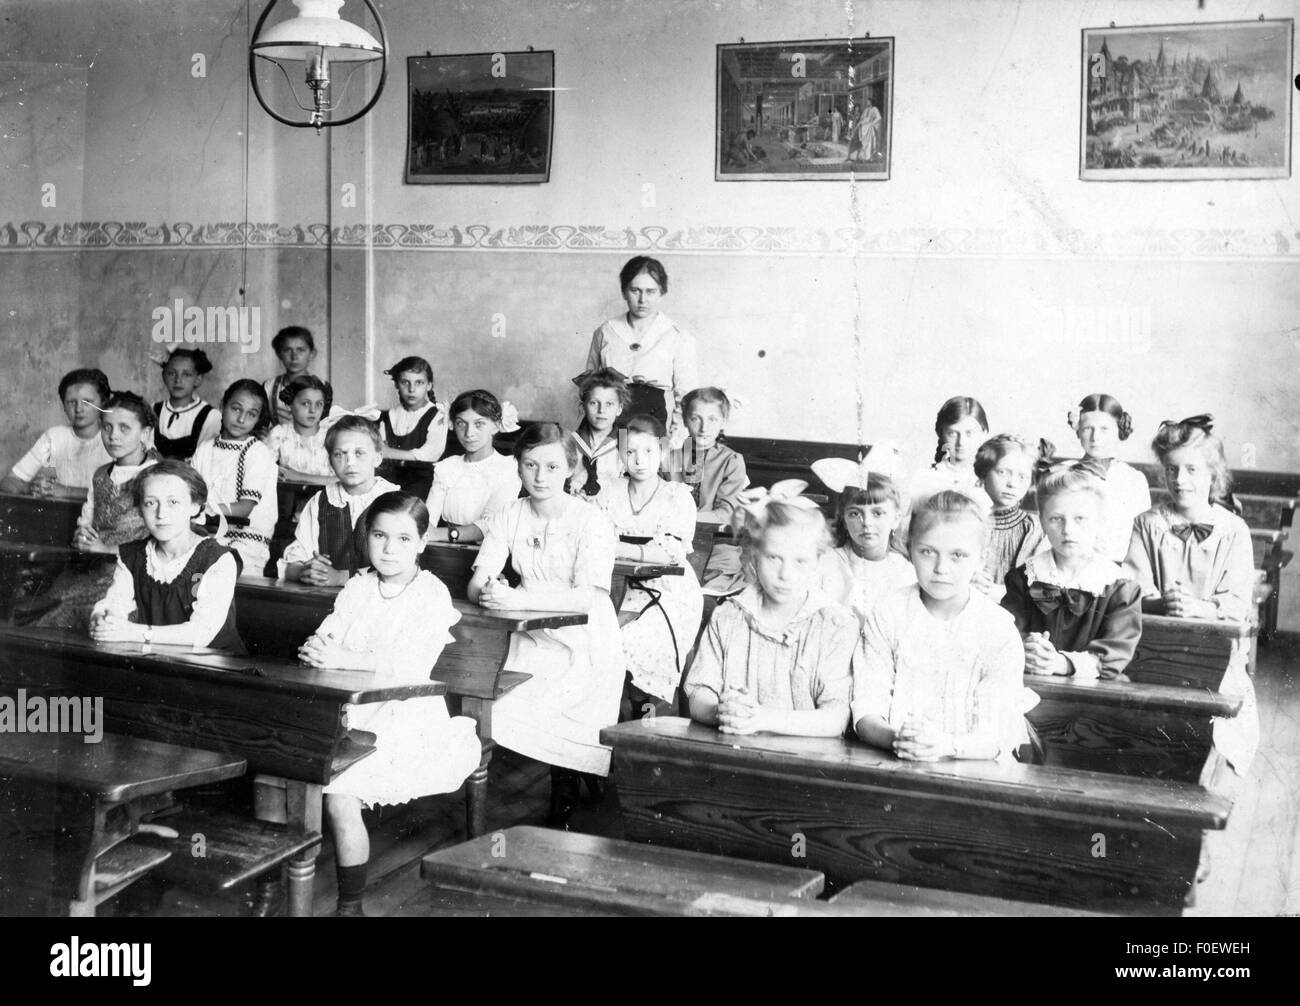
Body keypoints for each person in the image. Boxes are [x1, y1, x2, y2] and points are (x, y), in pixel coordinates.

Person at [298, 491, 481, 916]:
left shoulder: (430, 594)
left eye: (403, 539)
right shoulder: (359, 587)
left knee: (339, 794)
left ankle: (350, 904)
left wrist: (342, 658)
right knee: (285, 766)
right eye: (379, 536)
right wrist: (318, 647)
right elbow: (332, 634)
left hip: (406, 712)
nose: (389, 549)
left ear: (421, 543)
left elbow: (409, 667)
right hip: (350, 704)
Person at [467, 423, 625, 827]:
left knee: (560, 702)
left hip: (584, 635)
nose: (540, 477)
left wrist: (517, 598)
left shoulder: (591, 521)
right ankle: (570, 775)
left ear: (572, 470)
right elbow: (478, 579)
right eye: (530, 465)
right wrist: (487, 590)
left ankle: (566, 791)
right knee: (498, 701)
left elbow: (585, 597)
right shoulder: (509, 514)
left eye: (553, 467)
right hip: (528, 631)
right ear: (518, 468)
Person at [1124, 414, 1259, 788]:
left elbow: (1237, 601)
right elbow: (1132, 590)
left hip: (1212, 654)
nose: (1180, 480)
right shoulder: (1147, 523)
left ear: (1212, 475)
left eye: (1192, 470)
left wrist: (1201, 608)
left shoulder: (1233, 531)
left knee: (1215, 741)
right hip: (1153, 650)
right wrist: (1162, 602)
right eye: (1172, 469)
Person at [853, 491, 1028, 762]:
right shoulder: (889, 614)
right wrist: (898, 738)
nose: (941, 568)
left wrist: (944, 746)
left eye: (958, 555)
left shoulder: (997, 628)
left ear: (982, 558)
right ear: (910, 549)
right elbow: (867, 709)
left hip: (976, 771)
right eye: (927, 552)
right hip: (895, 758)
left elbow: (997, 736)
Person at [683, 481, 856, 738]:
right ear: (754, 556)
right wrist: (721, 711)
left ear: (818, 561)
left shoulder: (834, 624)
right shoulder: (729, 615)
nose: (786, 574)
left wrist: (763, 718)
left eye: (800, 561)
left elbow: (836, 718)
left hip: (807, 760)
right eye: (773, 558)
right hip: (735, 751)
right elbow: (700, 692)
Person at [20, 391, 160, 631]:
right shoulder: (101, 475)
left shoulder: (159, 475)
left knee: (72, 615)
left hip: (133, 576)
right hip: (92, 569)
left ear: (145, 434)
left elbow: (163, 543)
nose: (113, 436)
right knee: (38, 609)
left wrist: (107, 549)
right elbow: (87, 521)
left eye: (124, 428)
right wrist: (83, 537)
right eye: (107, 427)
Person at [598, 415, 703, 717]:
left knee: (633, 642)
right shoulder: (610, 492)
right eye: (630, 452)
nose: (639, 460)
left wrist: (618, 547)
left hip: (669, 591)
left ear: (663, 451)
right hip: (617, 587)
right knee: (593, 638)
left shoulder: (676, 496)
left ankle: (643, 719)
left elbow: (669, 552)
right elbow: (593, 539)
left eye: (647, 452)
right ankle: (596, 732)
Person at [1001, 468, 1142, 680]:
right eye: (1056, 519)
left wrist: (1062, 663)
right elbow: (1006, 634)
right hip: (1033, 682)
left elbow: (1115, 653)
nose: (1068, 530)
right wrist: (1029, 650)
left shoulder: (1119, 587)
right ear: (1042, 521)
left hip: (1096, 694)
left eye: (1080, 519)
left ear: (1100, 521)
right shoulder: (1025, 578)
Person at [89, 460, 244, 652]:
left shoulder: (217, 559)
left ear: (195, 507)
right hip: (161, 659)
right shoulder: (133, 555)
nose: (161, 514)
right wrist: (104, 618)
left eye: (173, 502)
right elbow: (115, 603)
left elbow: (201, 633)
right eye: (151, 503)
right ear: (140, 510)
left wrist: (134, 633)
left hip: (215, 667)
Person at [586, 256, 699, 445]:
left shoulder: (677, 335)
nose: (642, 300)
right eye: (635, 290)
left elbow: (687, 395)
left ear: (661, 292)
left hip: (653, 419)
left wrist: (677, 436)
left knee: (645, 468)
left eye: (650, 291)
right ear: (624, 291)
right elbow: (589, 385)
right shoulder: (606, 331)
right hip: (608, 419)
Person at [281, 416, 398, 585]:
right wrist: (305, 571)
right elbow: (294, 561)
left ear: (378, 458)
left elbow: (398, 568)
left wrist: (340, 577)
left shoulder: (395, 500)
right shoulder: (320, 501)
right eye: (339, 454)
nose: (350, 463)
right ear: (330, 462)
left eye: (359, 453)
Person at [810, 457, 915, 624]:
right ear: (843, 519)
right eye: (854, 513)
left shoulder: (904, 572)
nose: (866, 522)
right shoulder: (827, 562)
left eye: (877, 513)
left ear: (896, 519)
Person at [190, 380, 278, 577]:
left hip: (246, 540)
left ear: (258, 418)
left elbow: (245, 508)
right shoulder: (205, 448)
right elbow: (191, 493)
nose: (241, 419)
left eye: (251, 414)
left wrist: (200, 510)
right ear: (223, 405)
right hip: (206, 532)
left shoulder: (258, 453)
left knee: (218, 568)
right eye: (236, 409)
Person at [673, 387, 749, 596]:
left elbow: (725, 513)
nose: (704, 428)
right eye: (696, 419)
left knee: (707, 598)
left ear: (723, 421)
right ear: (685, 420)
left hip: (717, 549)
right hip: (674, 545)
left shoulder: (731, 461)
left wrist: (681, 518)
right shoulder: (670, 459)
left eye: (713, 419)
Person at [424, 389, 521, 544]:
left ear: (495, 426)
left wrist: (439, 534)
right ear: (452, 425)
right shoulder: (447, 467)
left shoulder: (508, 468)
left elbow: (490, 525)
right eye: (461, 423)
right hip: (445, 549)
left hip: (488, 550)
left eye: (479, 424)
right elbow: (427, 518)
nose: (469, 433)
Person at [1, 368, 112, 498]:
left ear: (103, 404)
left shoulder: (114, 437)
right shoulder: (55, 436)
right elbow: (8, 482)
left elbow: (122, 494)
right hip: (63, 513)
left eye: (87, 402)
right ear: (63, 406)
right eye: (71, 402)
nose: (79, 409)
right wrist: (30, 487)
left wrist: (67, 492)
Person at [1068, 394, 1151, 562]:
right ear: (1078, 431)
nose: (1095, 437)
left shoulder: (1133, 480)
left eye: (1104, 429)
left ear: (1118, 431)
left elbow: (1142, 539)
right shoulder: (1063, 474)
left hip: (1119, 570)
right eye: (1087, 429)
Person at [973, 434, 1048, 600]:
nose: (1012, 484)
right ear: (984, 473)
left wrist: (1003, 593)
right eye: (1002, 472)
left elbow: (1043, 588)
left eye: (1022, 476)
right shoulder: (966, 521)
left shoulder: (1037, 530)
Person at [907, 396, 990, 510]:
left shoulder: (994, 478)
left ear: (984, 433)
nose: (961, 442)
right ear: (941, 434)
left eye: (969, 433)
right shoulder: (925, 478)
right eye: (952, 433)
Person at [569, 368, 629, 499]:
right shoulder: (570, 442)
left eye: (609, 404)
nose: (602, 410)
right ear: (583, 405)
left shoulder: (628, 443)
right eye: (594, 403)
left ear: (619, 409)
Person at [152, 348, 220, 461]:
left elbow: (205, 462)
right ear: (164, 376)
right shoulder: (153, 409)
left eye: (187, 374)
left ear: (198, 379)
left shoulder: (210, 416)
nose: (178, 380)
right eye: (172, 373)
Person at [378, 355, 447, 464]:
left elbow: (430, 454)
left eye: (419, 382)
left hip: (424, 480)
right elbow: (376, 452)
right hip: (387, 479)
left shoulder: (438, 415)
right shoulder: (386, 416)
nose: (411, 389)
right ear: (396, 384)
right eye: (405, 382)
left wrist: (387, 452)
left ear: (428, 385)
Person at [266, 374, 335, 483]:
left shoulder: (332, 435)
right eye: (305, 403)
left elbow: (344, 480)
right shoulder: (280, 434)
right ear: (289, 404)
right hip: (289, 498)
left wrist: (299, 476)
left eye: (319, 404)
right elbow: (262, 470)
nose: (312, 410)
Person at [264, 326, 319, 426]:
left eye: (300, 350)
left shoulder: (320, 387)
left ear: (312, 354)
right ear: (279, 354)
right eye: (287, 350)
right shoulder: (269, 387)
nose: (294, 357)